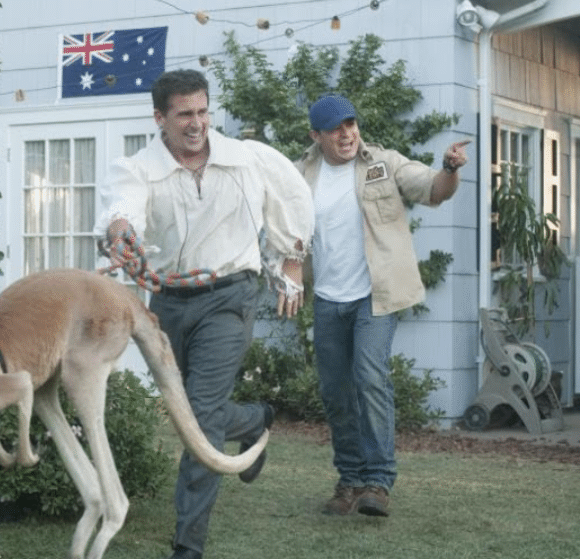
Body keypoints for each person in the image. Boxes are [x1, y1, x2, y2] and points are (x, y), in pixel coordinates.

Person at [96, 69, 314, 559]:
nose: (197, 124)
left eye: (202, 111)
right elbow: (122, 207)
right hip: (168, 302)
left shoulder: (246, 159)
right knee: (189, 412)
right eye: (184, 114)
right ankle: (254, 421)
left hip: (231, 295)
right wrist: (120, 230)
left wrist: (291, 263)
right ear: (160, 118)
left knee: (198, 414)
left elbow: (291, 200)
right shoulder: (139, 168)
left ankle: (187, 545)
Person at [296, 95, 469, 517]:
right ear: (316, 135)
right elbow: (285, 230)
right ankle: (349, 480)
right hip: (327, 299)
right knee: (335, 391)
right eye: (336, 128)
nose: (347, 134)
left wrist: (448, 168)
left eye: (351, 124)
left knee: (369, 377)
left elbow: (433, 190)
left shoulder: (384, 163)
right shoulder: (300, 175)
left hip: (375, 295)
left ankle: (378, 481)